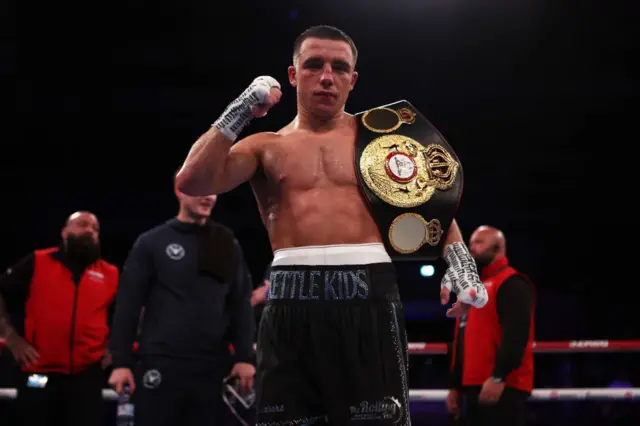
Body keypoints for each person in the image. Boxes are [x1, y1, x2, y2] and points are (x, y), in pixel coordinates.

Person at [176, 25, 488, 425]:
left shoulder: (382, 140)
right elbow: (192, 181)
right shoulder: (264, 146)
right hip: (290, 302)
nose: (327, 76)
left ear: (352, 80)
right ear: (293, 75)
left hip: (368, 297)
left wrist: (461, 265)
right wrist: (241, 110)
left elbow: (430, 204)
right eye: (314, 65)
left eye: (339, 68)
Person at [108, 174, 256, 426]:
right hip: (161, 363)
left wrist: (244, 357)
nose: (209, 196)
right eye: (202, 188)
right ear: (179, 190)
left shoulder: (225, 242)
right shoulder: (152, 242)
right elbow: (128, 305)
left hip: (212, 367)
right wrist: (121, 362)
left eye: (214, 190)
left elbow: (240, 304)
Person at [0, 211, 118, 426]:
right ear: (64, 232)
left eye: (95, 229)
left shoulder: (110, 274)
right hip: (38, 372)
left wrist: (114, 347)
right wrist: (12, 338)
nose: (89, 230)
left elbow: (131, 312)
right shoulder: (37, 262)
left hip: (86, 376)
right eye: (82, 224)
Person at [446, 225, 535, 426]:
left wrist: (498, 377)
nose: (472, 249)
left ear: (499, 246)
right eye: (470, 244)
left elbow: (516, 336)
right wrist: (455, 387)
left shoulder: (512, 283)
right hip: (472, 386)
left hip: (502, 387)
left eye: (479, 242)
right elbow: (462, 341)